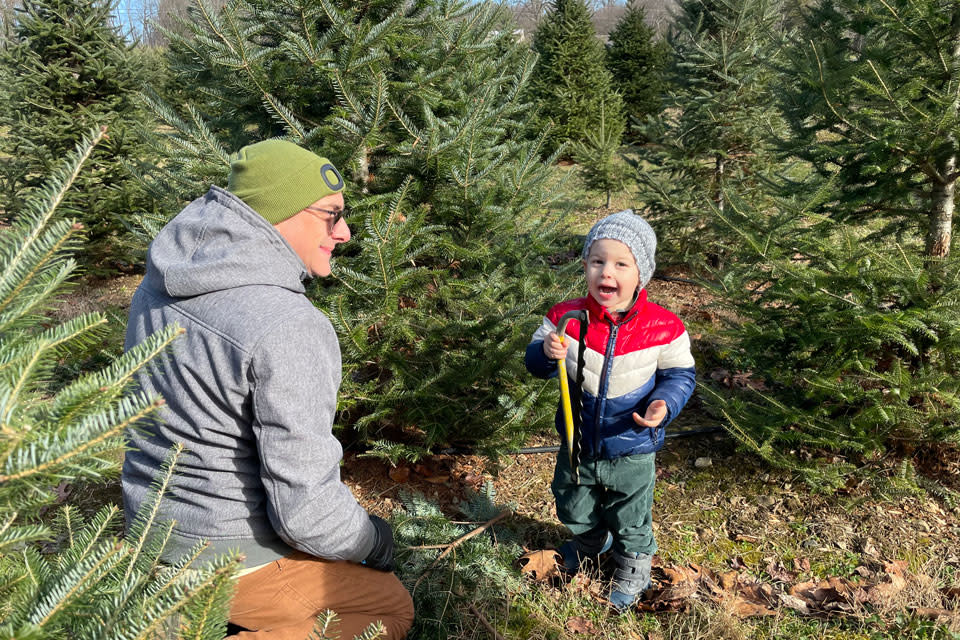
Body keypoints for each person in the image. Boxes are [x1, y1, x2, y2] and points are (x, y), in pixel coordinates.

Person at [122, 139, 415, 639]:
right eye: (330, 215)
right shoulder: (285, 324)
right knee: (387, 610)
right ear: (279, 215)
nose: (343, 233)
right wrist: (372, 540)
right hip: (226, 550)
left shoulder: (161, 281)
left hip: (150, 531)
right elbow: (303, 514)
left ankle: (172, 605)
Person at [524, 210, 696, 610]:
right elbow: (535, 365)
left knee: (630, 512)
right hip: (577, 440)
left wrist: (663, 403)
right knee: (571, 500)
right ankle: (589, 540)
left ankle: (634, 564)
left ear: (642, 275)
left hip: (632, 443)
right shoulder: (563, 318)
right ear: (585, 266)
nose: (607, 272)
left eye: (621, 264)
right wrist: (546, 354)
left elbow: (681, 376)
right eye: (598, 261)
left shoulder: (664, 327)